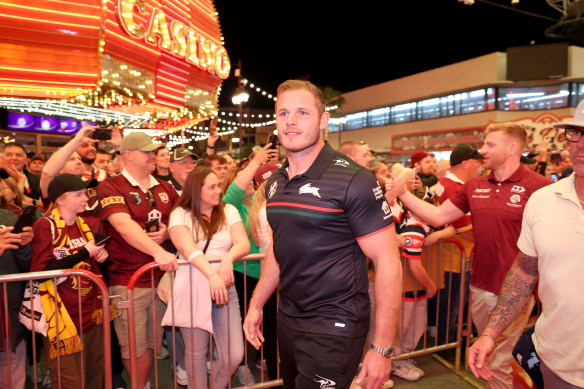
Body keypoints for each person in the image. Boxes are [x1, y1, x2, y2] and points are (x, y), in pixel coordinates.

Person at [243, 80, 402, 389]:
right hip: (289, 318)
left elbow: (387, 261)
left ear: (323, 120)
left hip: (336, 325)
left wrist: (381, 348)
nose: (290, 121)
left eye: (302, 112)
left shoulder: (354, 180)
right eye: (283, 113)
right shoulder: (275, 182)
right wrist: (256, 304)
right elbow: (279, 246)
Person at [386, 122, 551, 389]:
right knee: (489, 359)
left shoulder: (540, 187)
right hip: (480, 286)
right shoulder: (474, 185)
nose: (482, 150)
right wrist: (403, 193)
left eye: (490, 144)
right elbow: (438, 215)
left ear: (512, 148)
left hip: (517, 291)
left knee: (498, 361)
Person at [468, 101, 584, 388]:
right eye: (576, 133)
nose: (580, 145)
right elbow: (524, 272)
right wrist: (490, 333)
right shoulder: (544, 199)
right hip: (557, 365)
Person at [97, 132, 179, 389]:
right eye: (147, 151)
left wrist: (169, 232)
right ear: (128, 155)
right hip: (128, 280)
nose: (153, 155)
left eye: (153, 151)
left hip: (162, 279)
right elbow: (123, 225)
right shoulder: (111, 185)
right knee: (133, 345)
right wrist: (158, 252)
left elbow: (181, 222)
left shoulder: (165, 187)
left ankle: (143, 384)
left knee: (153, 344)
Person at [165, 168, 249, 389]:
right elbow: (188, 249)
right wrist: (212, 273)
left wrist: (229, 258)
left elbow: (243, 243)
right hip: (193, 287)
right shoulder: (179, 214)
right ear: (196, 190)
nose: (218, 191)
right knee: (196, 354)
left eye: (218, 185)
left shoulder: (228, 210)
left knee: (234, 354)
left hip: (225, 289)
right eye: (212, 187)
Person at [30, 174, 109, 389]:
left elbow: (84, 262)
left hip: (90, 314)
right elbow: (41, 272)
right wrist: (84, 252)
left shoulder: (83, 225)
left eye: (85, 193)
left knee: (95, 376)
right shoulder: (45, 225)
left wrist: (98, 256)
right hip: (62, 317)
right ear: (61, 200)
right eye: (78, 194)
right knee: (69, 380)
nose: (86, 198)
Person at [434, 144, 483, 345]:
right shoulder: (454, 188)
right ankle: (448, 343)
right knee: (452, 303)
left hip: (456, 256)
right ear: (464, 164)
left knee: (454, 302)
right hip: (454, 257)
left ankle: (450, 340)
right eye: (476, 161)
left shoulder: (447, 184)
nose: (479, 165)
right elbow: (466, 228)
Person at [0, 205, 34, 389]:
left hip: (9, 323)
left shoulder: (7, 216)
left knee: (14, 381)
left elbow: (29, 266)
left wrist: (24, 246)